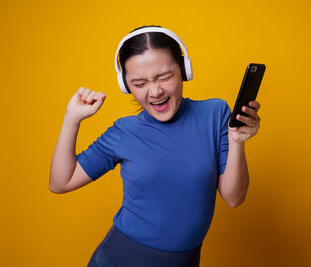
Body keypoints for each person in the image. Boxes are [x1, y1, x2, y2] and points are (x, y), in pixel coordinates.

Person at [49, 25, 261, 267]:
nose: (155, 91)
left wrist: (236, 142)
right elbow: (60, 182)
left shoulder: (215, 113)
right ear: (125, 85)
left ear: (183, 70)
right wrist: (71, 118)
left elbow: (234, 197)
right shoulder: (123, 131)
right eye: (139, 83)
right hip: (120, 259)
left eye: (165, 77)